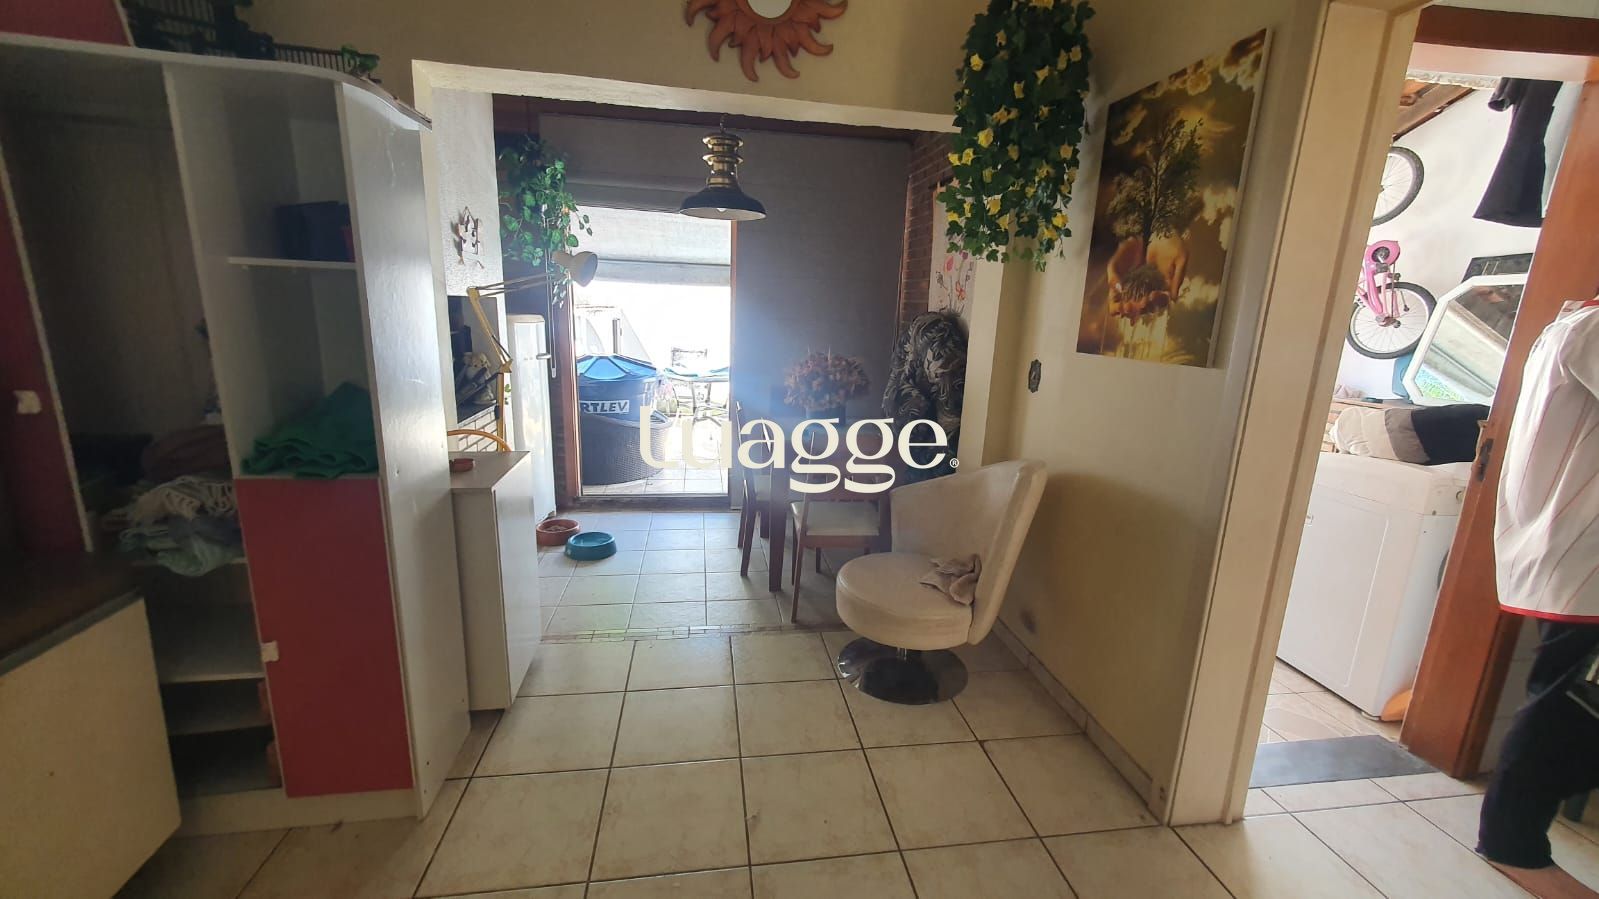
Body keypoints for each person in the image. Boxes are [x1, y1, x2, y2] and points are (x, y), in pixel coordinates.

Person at [1481, 297, 1599, 899]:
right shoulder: (1592, 328)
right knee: (1571, 704)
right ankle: (1513, 845)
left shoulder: (1573, 324)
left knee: (1570, 698)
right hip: (1583, 558)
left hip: (1572, 551)